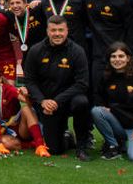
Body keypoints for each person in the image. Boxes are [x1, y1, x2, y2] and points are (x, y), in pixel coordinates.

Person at [21, 15, 92, 160]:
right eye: (53, 30)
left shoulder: (77, 51)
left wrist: (57, 101)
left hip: (69, 100)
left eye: (61, 30)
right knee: (54, 149)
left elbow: (82, 83)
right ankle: (67, 138)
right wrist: (42, 101)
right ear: (47, 31)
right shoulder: (36, 50)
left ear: (67, 31)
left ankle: (82, 146)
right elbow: (30, 80)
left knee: (82, 102)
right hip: (47, 104)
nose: (57, 34)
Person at [90, 43, 133, 162]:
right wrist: (105, 107)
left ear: (128, 58)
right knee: (97, 111)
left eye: (121, 56)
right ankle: (113, 145)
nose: (117, 60)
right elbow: (98, 97)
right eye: (113, 56)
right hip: (118, 125)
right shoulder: (106, 78)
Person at [81, 0, 133, 88]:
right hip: (97, 56)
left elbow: (131, 30)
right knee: (97, 92)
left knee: (119, 93)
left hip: (118, 56)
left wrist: (131, 56)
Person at [0, 65, 49, 157]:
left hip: (18, 129)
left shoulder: (8, 89)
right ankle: (30, 144)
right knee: (6, 143)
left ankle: (40, 145)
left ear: (0, 79)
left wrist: (26, 95)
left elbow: (28, 103)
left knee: (26, 109)